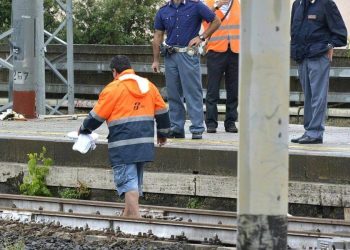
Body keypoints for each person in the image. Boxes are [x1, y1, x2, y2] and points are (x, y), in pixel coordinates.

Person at [78, 55, 170, 218]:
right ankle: (126, 217)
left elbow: (97, 116)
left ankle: (135, 220)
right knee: (134, 181)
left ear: (115, 72)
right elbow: (162, 110)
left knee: (128, 183)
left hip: (122, 143)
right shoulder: (148, 85)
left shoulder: (113, 88)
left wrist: (83, 129)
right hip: (144, 143)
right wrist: (163, 134)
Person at [152, 0, 221, 140]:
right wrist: (156, 60)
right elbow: (158, 36)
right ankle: (176, 128)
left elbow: (216, 21)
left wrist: (201, 37)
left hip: (188, 55)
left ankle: (197, 129)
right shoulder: (163, 10)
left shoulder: (196, 5)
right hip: (170, 55)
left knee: (192, 92)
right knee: (173, 94)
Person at [290, 0, 347, 144]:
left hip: (319, 57)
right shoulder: (297, 4)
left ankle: (315, 132)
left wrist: (327, 46)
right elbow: (294, 31)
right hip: (302, 57)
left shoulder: (326, 4)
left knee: (318, 96)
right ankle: (309, 130)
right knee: (308, 96)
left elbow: (340, 34)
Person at [202, 0, 240, 133]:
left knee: (233, 90)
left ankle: (230, 122)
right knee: (212, 89)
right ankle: (211, 123)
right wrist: (217, 5)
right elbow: (202, 18)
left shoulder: (239, 4)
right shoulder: (208, 3)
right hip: (215, 50)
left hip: (235, 51)